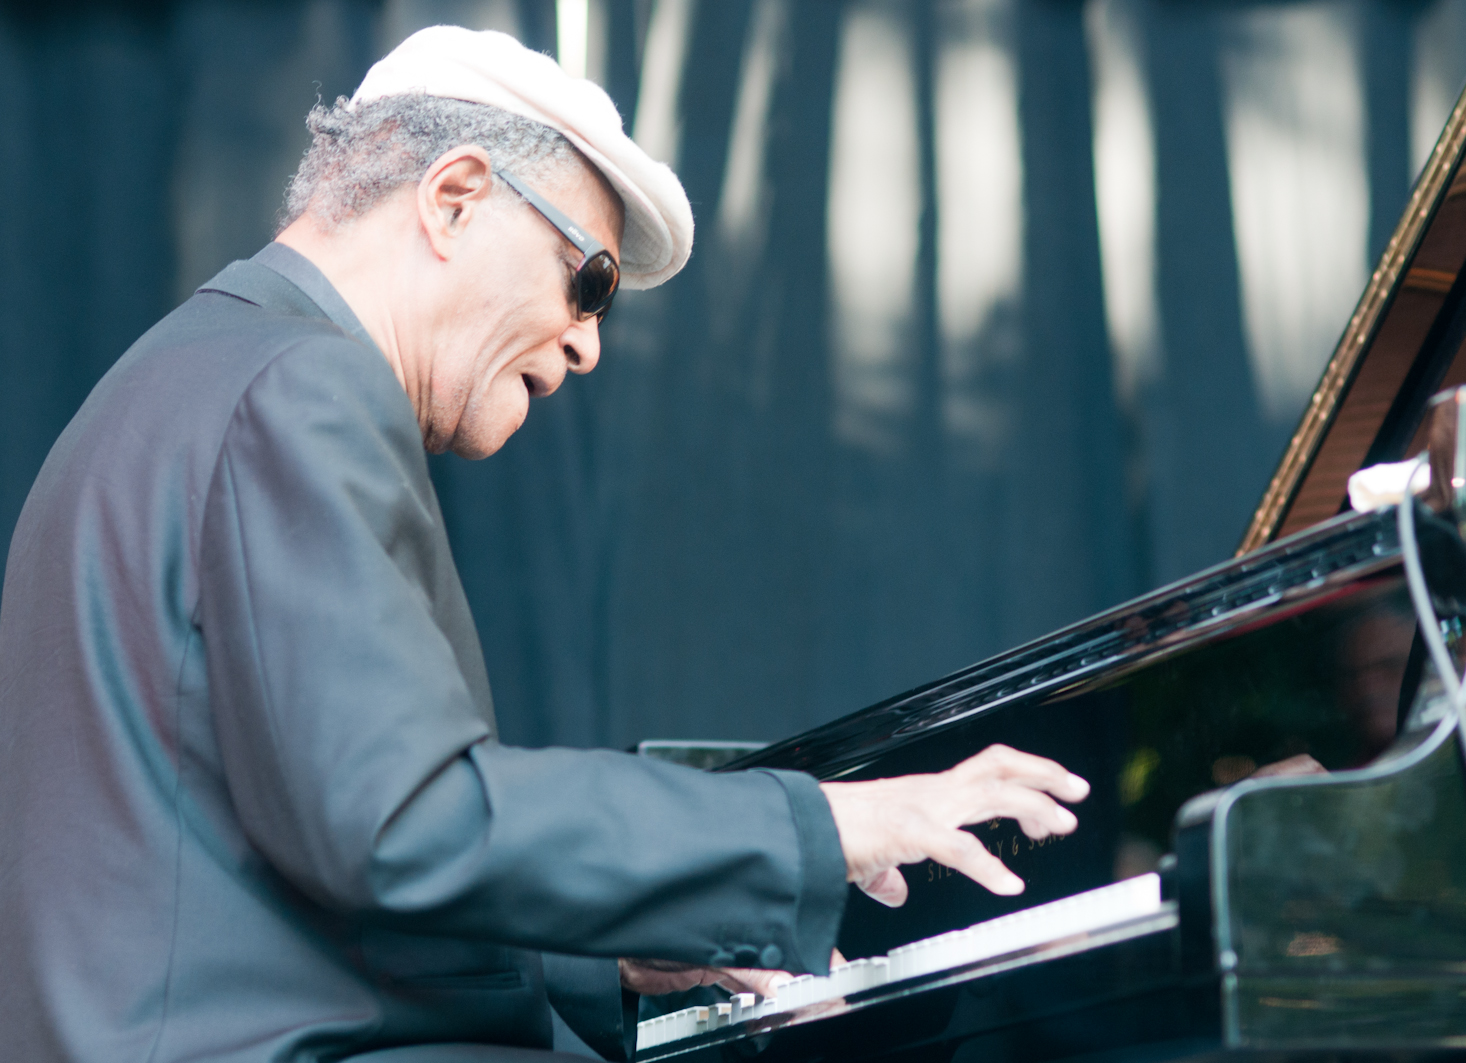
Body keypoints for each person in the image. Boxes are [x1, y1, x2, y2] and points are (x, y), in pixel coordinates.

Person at [0, 27, 1090, 1063]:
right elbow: (402, 821)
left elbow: (278, 866)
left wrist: (596, 952)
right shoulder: (301, 384)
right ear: (456, 199)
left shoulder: (183, 378)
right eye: (592, 279)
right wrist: (818, 825)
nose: (588, 343)